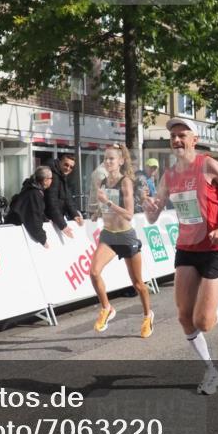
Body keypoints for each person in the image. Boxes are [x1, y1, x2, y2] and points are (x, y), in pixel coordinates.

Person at [143, 117, 218, 395]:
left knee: (204, 321)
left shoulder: (208, 165)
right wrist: (149, 205)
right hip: (186, 249)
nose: (177, 140)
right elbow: (153, 217)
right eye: (173, 136)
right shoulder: (169, 175)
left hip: (213, 249)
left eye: (182, 135)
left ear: (194, 139)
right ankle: (212, 371)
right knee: (184, 316)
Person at [91, 144, 153, 337]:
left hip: (126, 237)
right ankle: (107, 308)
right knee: (94, 272)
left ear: (121, 161)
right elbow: (106, 207)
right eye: (106, 158)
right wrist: (97, 212)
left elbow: (128, 214)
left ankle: (147, 315)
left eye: (111, 159)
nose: (108, 162)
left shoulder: (125, 181)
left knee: (138, 284)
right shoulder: (102, 182)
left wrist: (107, 202)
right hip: (109, 235)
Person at [5, 166, 52, 247]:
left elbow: (38, 212)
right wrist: (43, 239)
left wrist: (46, 219)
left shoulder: (31, 189)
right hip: (16, 232)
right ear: (45, 180)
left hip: (17, 229)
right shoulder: (34, 193)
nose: (52, 180)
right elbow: (34, 218)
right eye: (51, 178)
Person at [45, 153, 84, 238]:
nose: (68, 168)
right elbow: (52, 202)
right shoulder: (53, 176)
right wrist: (62, 225)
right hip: (47, 220)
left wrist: (74, 214)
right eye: (66, 165)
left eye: (71, 167)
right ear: (60, 162)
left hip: (52, 220)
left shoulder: (61, 175)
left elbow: (67, 197)